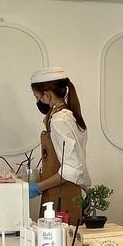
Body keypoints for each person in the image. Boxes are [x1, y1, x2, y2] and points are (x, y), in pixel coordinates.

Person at [29, 67, 91, 224]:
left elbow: (71, 169)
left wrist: (39, 186)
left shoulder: (59, 121)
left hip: (64, 195)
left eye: (36, 97)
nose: (37, 101)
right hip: (64, 192)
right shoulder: (69, 116)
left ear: (47, 95)